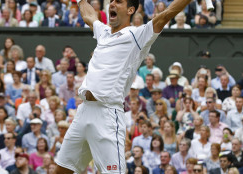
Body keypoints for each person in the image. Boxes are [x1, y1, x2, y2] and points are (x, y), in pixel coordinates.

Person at [55, 0, 192, 173]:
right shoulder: (103, 31)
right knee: (61, 170)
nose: (112, 3)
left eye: (118, 2)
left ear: (130, 10)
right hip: (83, 112)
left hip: (108, 115)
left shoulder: (138, 35)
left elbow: (167, 14)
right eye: (111, 1)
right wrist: (81, 1)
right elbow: (89, 15)